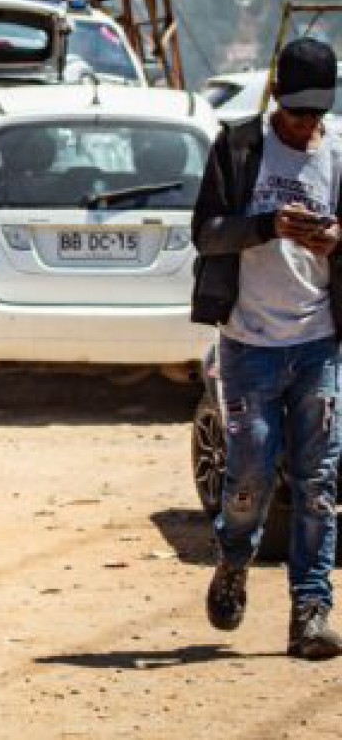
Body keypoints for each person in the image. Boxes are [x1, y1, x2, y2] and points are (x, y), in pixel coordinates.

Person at [192, 36, 342, 661]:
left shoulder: (339, 152)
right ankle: (233, 561)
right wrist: (267, 227)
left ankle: (310, 612)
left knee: (318, 483)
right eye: (298, 110)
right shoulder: (238, 146)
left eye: (317, 112)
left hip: (319, 343)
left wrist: (334, 240)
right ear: (276, 96)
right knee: (250, 472)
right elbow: (205, 234)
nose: (307, 123)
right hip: (249, 344)